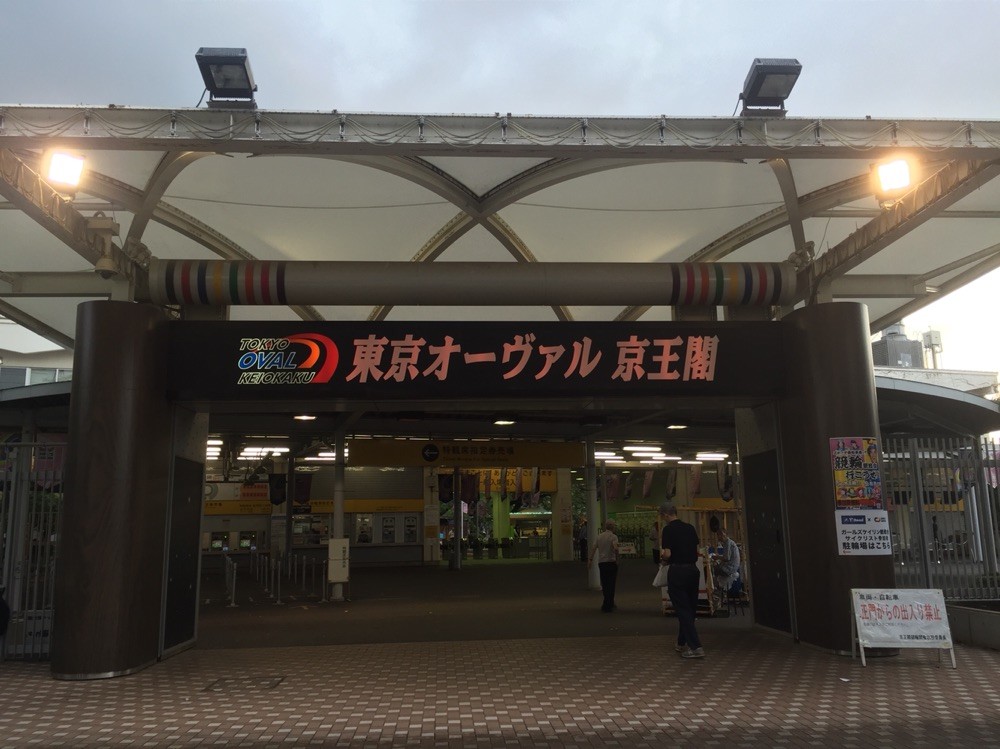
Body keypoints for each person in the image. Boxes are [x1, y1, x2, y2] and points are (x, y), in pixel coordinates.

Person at [660, 502, 704, 658]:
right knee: (690, 609)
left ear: (666, 515)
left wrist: (663, 558)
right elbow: (697, 550)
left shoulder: (668, 530)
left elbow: (668, 554)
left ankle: (696, 647)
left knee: (683, 609)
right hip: (693, 571)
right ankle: (681, 642)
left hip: (677, 571)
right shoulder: (690, 528)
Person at [589, 519, 619, 612]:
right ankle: (609, 604)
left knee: (605, 583)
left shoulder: (599, 537)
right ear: (613, 527)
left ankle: (607, 603)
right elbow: (615, 548)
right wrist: (617, 558)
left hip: (601, 563)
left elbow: (593, 548)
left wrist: (590, 560)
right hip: (611, 562)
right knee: (611, 584)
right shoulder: (614, 537)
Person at [711, 527, 741, 608]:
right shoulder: (730, 542)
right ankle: (721, 591)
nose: (718, 538)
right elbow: (727, 557)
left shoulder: (727, 543)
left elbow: (726, 558)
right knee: (716, 569)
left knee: (712, 570)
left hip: (730, 568)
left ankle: (716, 592)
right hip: (733, 567)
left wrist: (716, 558)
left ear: (722, 535)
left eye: (718, 536)